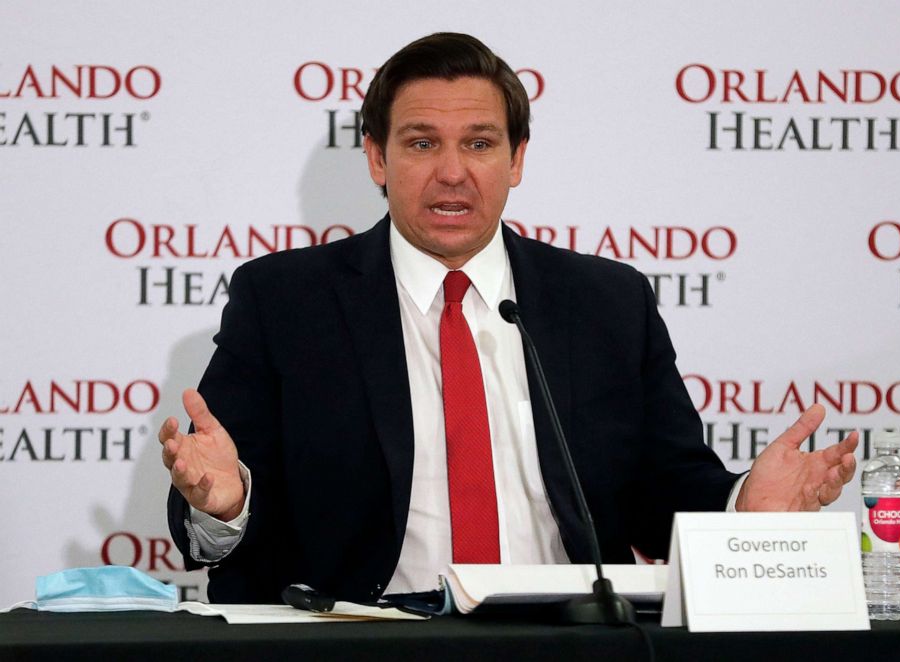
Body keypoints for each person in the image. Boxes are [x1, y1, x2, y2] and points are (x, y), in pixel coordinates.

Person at [160, 33, 858, 604]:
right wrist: (226, 502)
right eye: (422, 142)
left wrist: (743, 516)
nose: (453, 172)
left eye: (481, 143)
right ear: (376, 156)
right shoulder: (286, 301)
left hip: (568, 639)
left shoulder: (606, 301)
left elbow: (665, 492)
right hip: (364, 639)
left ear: (518, 158)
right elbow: (213, 514)